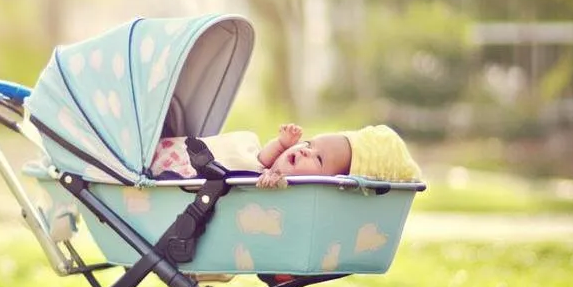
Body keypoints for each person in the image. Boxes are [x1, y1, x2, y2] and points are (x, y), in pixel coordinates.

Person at [149, 123, 421, 187]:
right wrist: (281, 144)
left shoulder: (291, 188)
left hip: (200, 184)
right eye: (310, 144)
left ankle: (165, 175)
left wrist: (272, 183)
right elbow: (263, 160)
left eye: (318, 159)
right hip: (207, 167)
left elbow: (267, 183)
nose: (305, 150)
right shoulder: (275, 161)